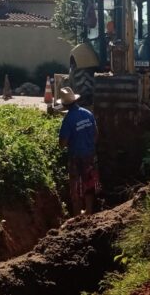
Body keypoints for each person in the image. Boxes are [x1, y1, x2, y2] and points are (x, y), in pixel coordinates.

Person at [57, 87, 99, 215]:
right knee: (89, 182)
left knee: (75, 184)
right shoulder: (87, 113)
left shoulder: (68, 119)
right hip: (89, 154)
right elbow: (96, 134)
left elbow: (62, 143)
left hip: (75, 156)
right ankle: (89, 211)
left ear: (64, 104)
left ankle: (76, 216)